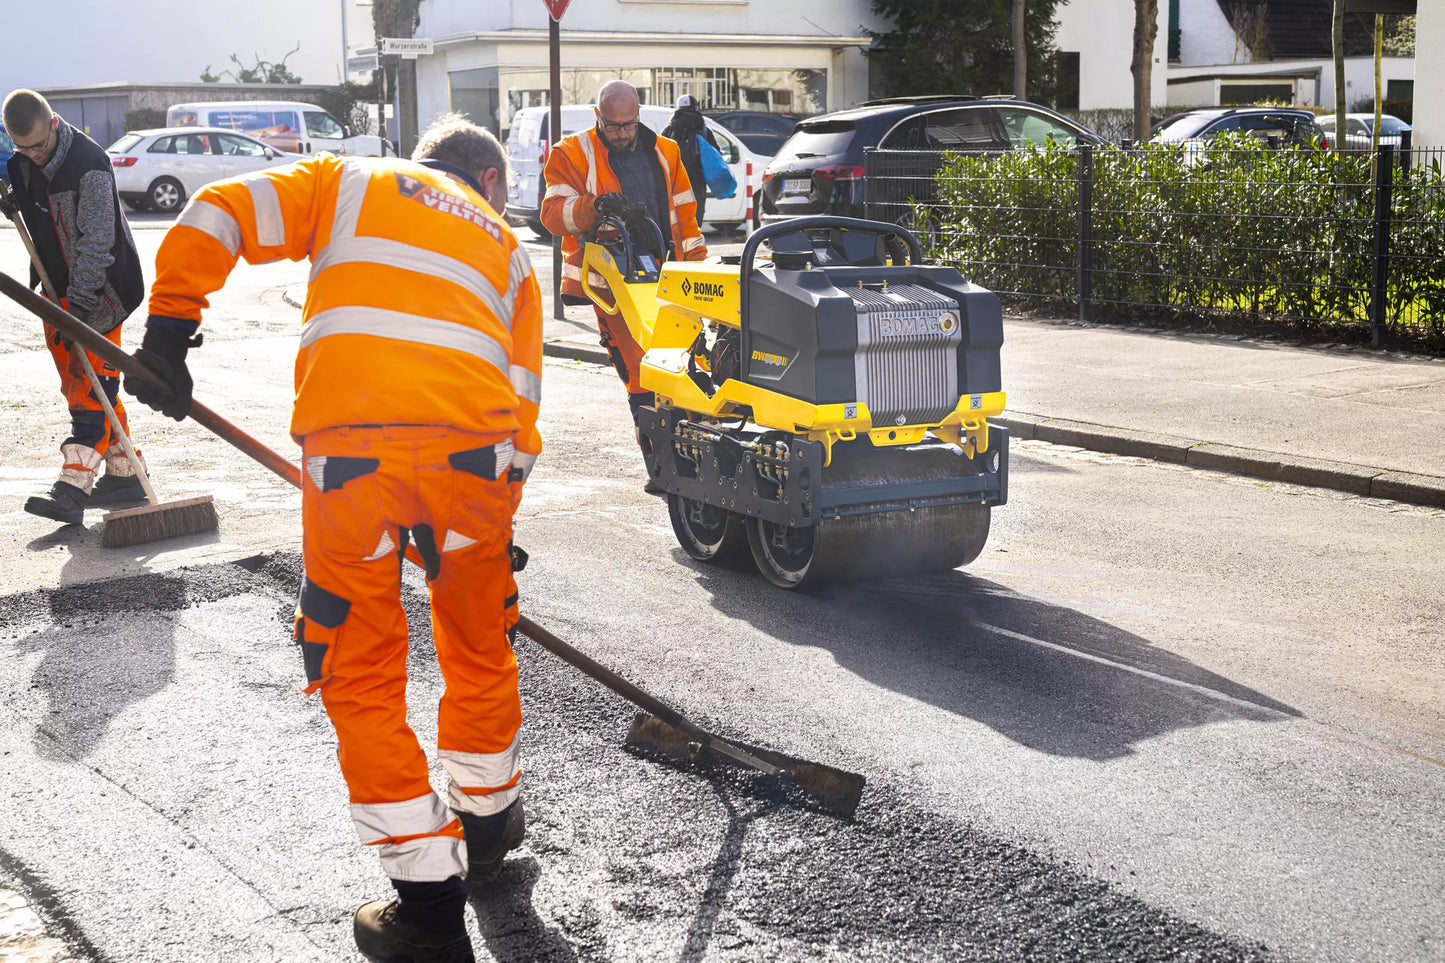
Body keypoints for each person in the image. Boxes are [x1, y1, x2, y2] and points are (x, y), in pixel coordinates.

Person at [125, 114, 542, 963]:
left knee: (357, 658)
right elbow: (523, 397)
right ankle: (488, 820)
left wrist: (168, 330)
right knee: (477, 636)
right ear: (489, 182)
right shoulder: (507, 244)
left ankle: (427, 905)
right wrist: (500, 510)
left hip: (353, 461)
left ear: (420, 161)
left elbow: (218, 209)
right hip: (472, 468)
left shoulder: (348, 180)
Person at [2, 89, 146, 525]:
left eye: (38, 145)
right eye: (21, 146)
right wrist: (12, 205)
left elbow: (98, 242)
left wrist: (79, 310)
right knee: (80, 381)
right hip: (56, 290)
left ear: (54, 124)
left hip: (100, 293)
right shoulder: (21, 162)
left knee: (90, 382)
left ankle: (72, 487)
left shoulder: (89, 163)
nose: (32, 154)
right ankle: (125, 474)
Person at [541, 80, 706, 446]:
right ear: (597, 115)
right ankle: (657, 453)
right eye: (614, 125)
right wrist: (594, 206)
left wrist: (698, 265)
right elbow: (553, 216)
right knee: (640, 366)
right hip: (613, 278)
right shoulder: (571, 152)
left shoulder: (666, 151)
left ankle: (682, 449)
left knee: (684, 363)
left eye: (629, 124)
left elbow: (686, 216)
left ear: (638, 116)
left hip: (669, 273)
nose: (622, 133)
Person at [661, 94, 721, 225]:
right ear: (695, 107)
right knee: (696, 212)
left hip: (676, 177)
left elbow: (658, 150)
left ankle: (678, 241)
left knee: (677, 211)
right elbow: (715, 153)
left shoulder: (671, 128)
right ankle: (694, 239)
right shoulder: (703, 129)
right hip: (697, 178)